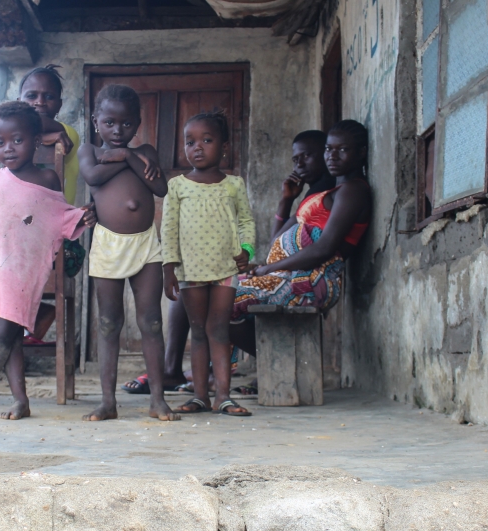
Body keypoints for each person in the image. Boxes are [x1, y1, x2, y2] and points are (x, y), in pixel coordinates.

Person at [121, 129, 335, 395]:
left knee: (217, 297)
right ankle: (173, 370)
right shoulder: (309, 198)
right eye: (295, 159)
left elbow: (316, 247)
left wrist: (261, 262)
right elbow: (276, 244)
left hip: (301, 279)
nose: (299, 164)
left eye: (307, 156)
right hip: (281, 273)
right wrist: (285, 201)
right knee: (191, 283)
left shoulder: (331, 195)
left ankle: (221, 375)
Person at [0, 101, 95, 419]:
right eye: (0, 142)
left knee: (0, 333)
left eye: (17, 140)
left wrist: (82, 216)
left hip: (23, 267)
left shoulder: (48, 179)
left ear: (36, 141)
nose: (8, 149)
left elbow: (58, 215)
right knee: (10, 336)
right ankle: (20, 400)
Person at [77, 85, 178, 422]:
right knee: (108, 322)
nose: (117, 131)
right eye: (109, 123)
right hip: (108, 243)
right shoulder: (88, 151)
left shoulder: (145, 150)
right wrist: (126, 161)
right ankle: (108, 402)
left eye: (125, 124)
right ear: (95, 122)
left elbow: (160, 188)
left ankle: (158, 400)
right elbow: (92, 176)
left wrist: (127, 156)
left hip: (146, 244)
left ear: (137, 124)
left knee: (151, 320)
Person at [229, 120, 373, 355]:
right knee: (214, 293)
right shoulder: (328, 194)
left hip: (311, 282)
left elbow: (324, 249)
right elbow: (277, 241)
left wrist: (269, 269)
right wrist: (285, 200)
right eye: (329, 149)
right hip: (291, 277)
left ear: (361, 153)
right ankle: (270, 362)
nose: (332, 156)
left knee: (221, 303)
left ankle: (275, 361)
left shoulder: (353, 191)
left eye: (342, 150)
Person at [0, 65, 81, 345]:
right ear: (18, 99)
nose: (40, 102)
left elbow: (50, 127)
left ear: (60, 104)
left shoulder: (68, 134)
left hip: (50, 240)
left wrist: (39, 130)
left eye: (48, 97)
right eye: (31, 96)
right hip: (8, 242)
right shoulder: (16, 133)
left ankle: (17, 320)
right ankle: (20, 317)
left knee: (10, 256)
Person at [162, 109, 255, 416]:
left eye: (207, 140)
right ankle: (200, 396)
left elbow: (246, 222)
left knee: (219, 329)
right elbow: (169, 228)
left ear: (224, 146)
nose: (197, 147)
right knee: (198, 330)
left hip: (226, 268)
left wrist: (246, 250)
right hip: (191, 269)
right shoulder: (177, 186)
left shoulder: (233, 185)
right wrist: (168, 267)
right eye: (190, 141)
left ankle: (223, 396)